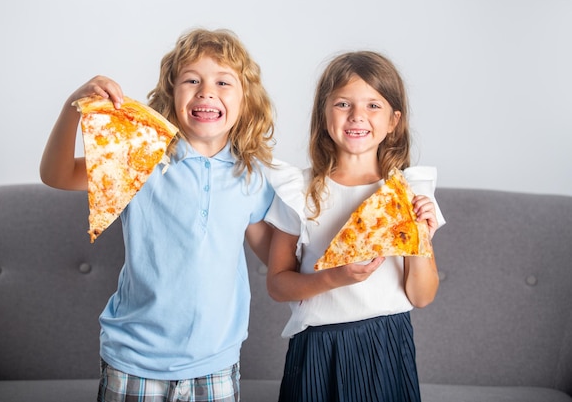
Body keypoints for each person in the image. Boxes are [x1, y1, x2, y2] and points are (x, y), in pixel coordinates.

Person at [40, 28, 276, 402]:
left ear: (246, 99)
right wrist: (74, 105)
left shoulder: (252, 175)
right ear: (171, 93)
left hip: (215, 365)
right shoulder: (141, 159)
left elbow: (277, 256)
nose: (206, 92)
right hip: (133, 360)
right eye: (192, 80)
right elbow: (56, 175)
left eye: (223, 82)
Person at [265, 51, 446, 402]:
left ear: (394, 120)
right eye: (343, 104)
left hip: (386, 343)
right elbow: (277, 284)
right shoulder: (298, 190)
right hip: (316, 345)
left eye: (373, 106)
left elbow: (422, 297)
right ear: (324, 113)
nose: (357, 116)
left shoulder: (408, 192)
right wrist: (337, 277)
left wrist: (420, 236)